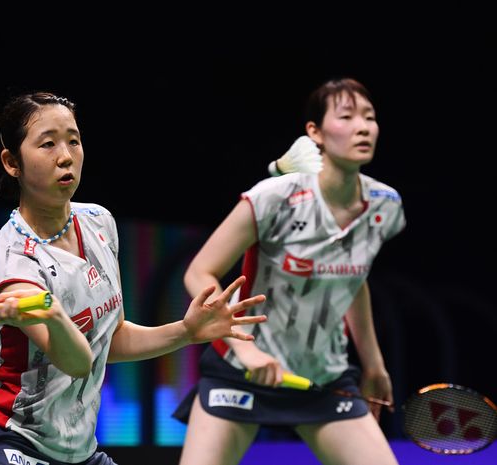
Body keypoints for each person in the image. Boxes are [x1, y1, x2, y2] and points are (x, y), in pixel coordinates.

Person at [0, 92, 267, 465]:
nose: (65, 156)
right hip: (6, 436)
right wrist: (51, 314)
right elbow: (77, 362)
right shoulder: (11, 261)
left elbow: (107, 341)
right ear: (12, 162)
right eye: (47, 144)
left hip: (78, 451)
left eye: (74, 140)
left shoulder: (99, 223)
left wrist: (187, 331)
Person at [172, 77, 405, 465]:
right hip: (241, 372)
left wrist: (374, 365)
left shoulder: (385, 206)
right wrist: (247, 352)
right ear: (314, 131)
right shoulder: (275, 197)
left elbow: (352, 281)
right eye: (347, 117)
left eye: (370, 117)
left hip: (324, 377)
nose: (363, 126)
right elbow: (199, 273)